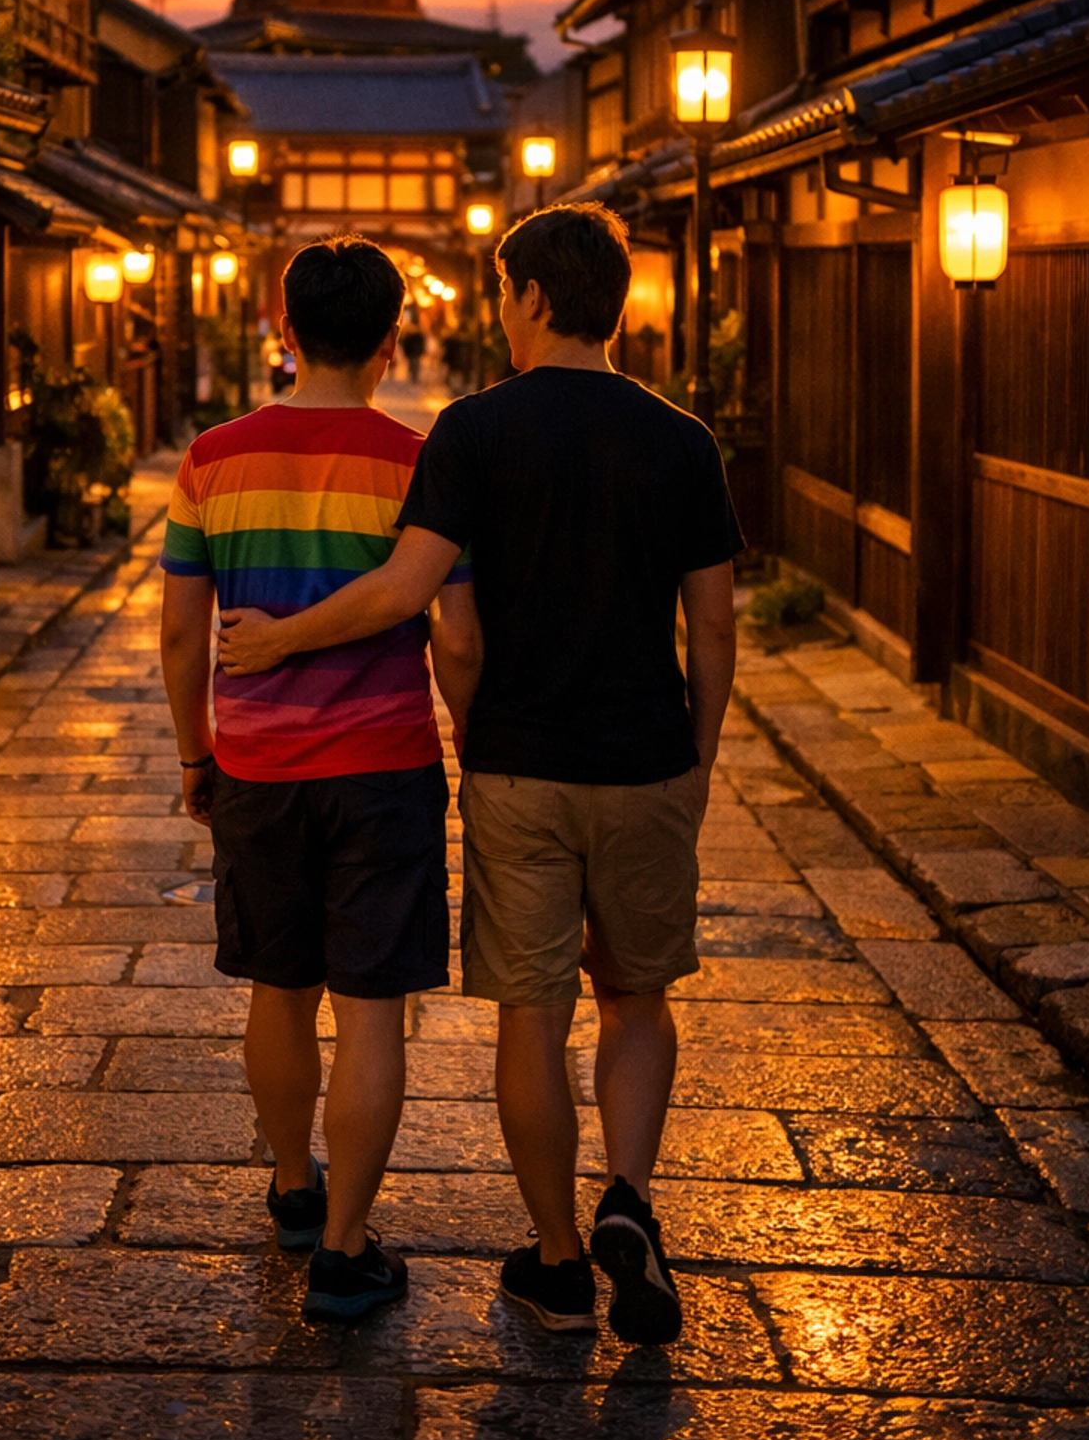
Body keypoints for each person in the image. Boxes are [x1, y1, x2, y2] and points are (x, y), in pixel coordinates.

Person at [218, 203, 740, 1344]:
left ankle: (557, 1261)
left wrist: (290, 648)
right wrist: (696, 757)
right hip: (649, 759)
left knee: (534, 1016)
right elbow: (712, 625)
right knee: (637, 998)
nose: (499, 314)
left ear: (536, 300)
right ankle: (632, 1201)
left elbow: (424, 608)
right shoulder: (682, 440)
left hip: (519, 766)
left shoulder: (473, 430)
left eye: (504, 295)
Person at [159, 236, 478, 1322]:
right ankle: (345, 1254)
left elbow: (175, 632)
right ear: (393, 341)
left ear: (284, 333)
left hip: (257, 761)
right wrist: (476, 751)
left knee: (277, 989)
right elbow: (458, 633)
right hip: (384, 764)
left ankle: (295, 1190)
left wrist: (198, 752)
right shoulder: (420, 460)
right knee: (372, 1010)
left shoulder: (213, 456)